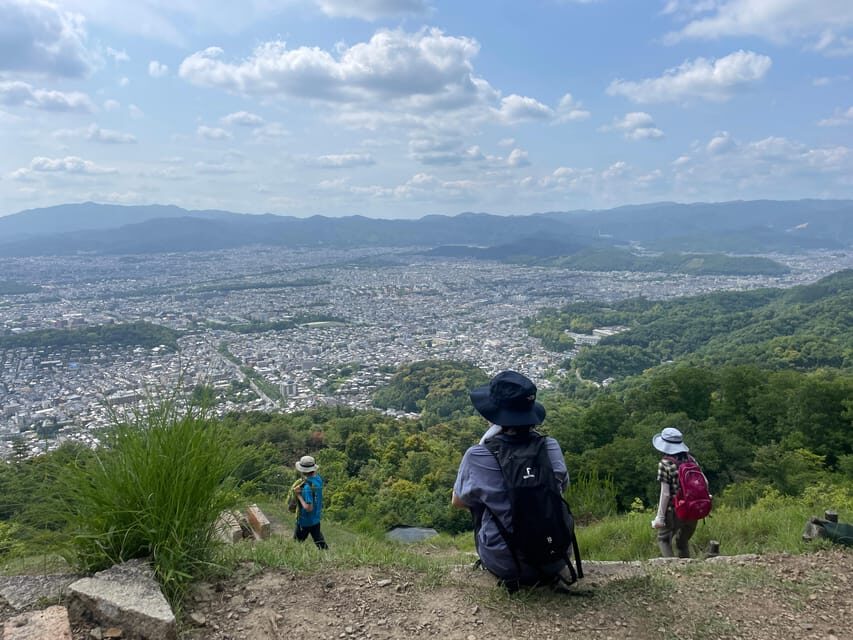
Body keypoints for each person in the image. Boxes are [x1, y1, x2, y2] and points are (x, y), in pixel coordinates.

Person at [451, 370, 578, 592]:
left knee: (480, 502)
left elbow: (458, 501)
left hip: (507, 563)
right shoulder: (550, 446)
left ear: (493, 416)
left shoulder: (478, 455)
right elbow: (561, 488)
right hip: (556, 557)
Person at [651, 427, 698, 558]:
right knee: (682, 541)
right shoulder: (691, 460)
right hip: (693, 508)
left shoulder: (665, 464)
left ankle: (673, 570)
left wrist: (659, 517)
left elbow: (665, 493)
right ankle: (686, 568)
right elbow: (704, 482)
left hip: (676, 509)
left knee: (663, 539)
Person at [292, 455, 328, 549]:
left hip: (305, 521)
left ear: (302, 470)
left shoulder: (307, 487)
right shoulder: (318, 479)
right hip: (316, 518)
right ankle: (327, 555)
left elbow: (309, 508)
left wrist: (298, 495)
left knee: (296, 544)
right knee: (319, 541)